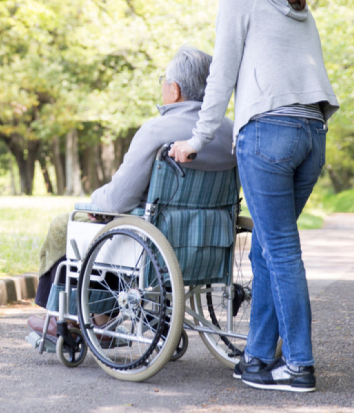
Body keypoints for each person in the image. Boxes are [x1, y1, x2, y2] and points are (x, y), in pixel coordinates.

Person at [169, 0, 339, 393]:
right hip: (312, 133)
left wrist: (197, 140)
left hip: (268, 133)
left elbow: (220, 77)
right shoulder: (297, 7)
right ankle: (259, 358)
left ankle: (299, 365)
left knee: (280, 250)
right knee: (267, 247)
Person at [27, 46, 236, 344]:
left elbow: (116, 201)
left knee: (69, 225)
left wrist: (94, 200)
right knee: (119, 228)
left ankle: (74, 319)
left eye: (163, 80)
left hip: (153, 243)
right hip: (209, 242)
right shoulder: (231, 133)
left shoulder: (157, 130)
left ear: (174, 90)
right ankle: (102, 318)